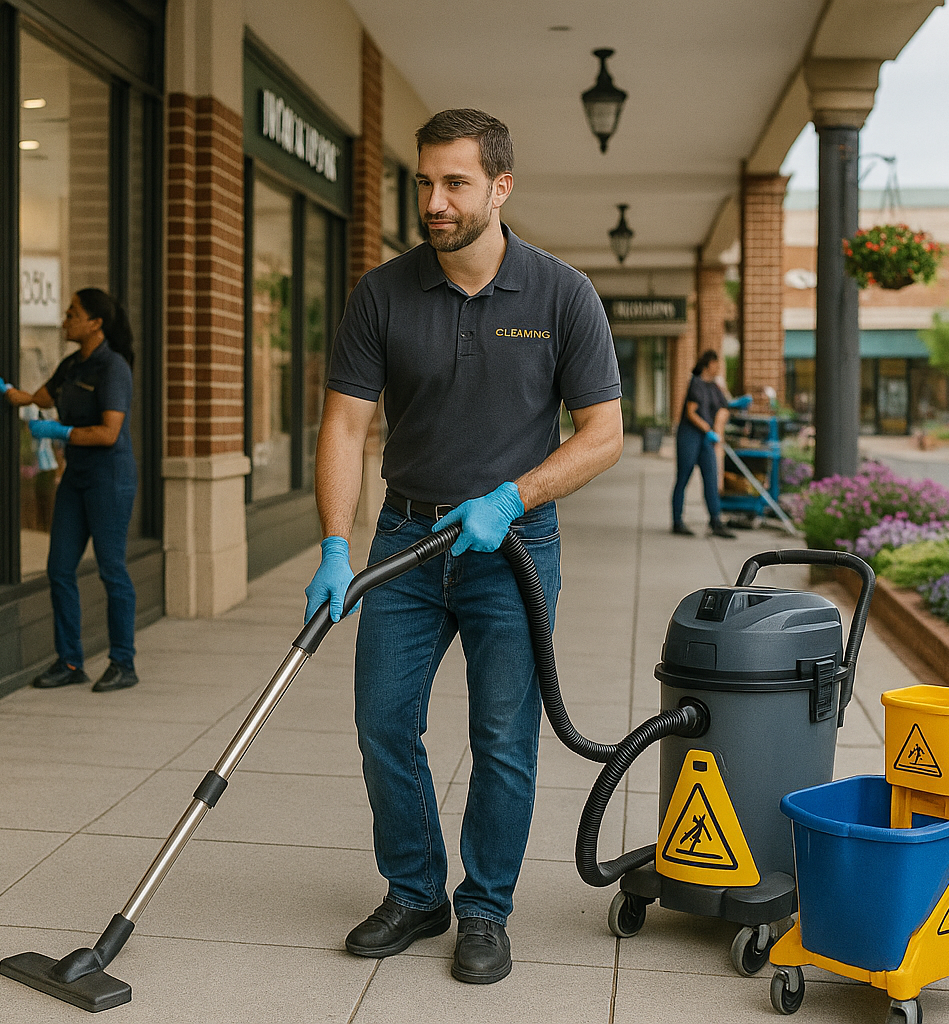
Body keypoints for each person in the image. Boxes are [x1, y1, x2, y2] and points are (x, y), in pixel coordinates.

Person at [309, 108, 623, 986]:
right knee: (382, 723)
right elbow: (343, 427)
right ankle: (415, 891)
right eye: (425, 182)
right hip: (408, 538)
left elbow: (604, 434)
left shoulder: (561, 295)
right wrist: (336, 545)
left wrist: (514, 496)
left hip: (512, 546)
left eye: (455, 183)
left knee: (503, 738)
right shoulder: (382, 293)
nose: (435, 201)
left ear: (500, 187)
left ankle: (485, 908)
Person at [0, 288, 139, 693]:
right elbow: (35, 398)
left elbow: (110, 432)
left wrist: (60, 431)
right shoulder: (72, 365)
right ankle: (71, 661)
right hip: (76, 479)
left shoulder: (114, 369)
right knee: (59, 568)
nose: (65, 319)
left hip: (110, 478)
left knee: (112, 569)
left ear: (96, 323)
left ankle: (123, 662)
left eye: (73, 313)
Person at [671, 350, 736, 539]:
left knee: (711, 477)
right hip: (690, 436)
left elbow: (724, 407)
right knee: (683, 477)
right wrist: (708, 429)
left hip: (707, 439)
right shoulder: (696, 384)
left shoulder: (714, 387)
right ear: (708, 364)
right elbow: (691, 412)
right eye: (716, 364)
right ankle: (677, 521)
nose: (718, 368)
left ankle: (715, 521)